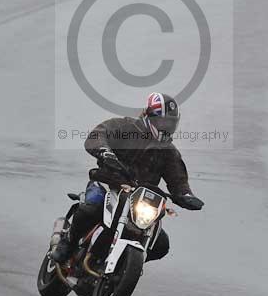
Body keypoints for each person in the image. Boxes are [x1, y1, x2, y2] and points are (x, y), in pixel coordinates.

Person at [52, 92, 204, 264]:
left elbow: (178, 179)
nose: (166, 127)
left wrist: (186, 195)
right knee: (92, 206)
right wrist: (105, 152)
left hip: (141, 198)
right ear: (149, 117)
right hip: (108, 183)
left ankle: (125, 264)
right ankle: (69, 242)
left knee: (161, 244)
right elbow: (97, 135)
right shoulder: (125, 128)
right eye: (162, 122)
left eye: (170, 123)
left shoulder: (169, 152)